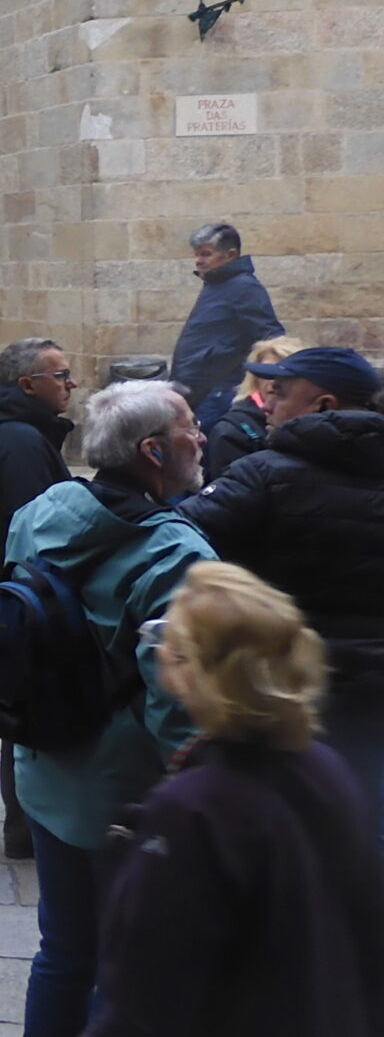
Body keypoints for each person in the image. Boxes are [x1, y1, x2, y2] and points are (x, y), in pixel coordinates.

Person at [0, 563, 384, 1037]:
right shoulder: (324, 772)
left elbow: (147, 1001)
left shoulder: (197, 810)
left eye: (170, 645)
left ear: (196, 672)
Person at [0, 378, 214, 1037]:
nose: (203, 438)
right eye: (190, 427)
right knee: (126, 978)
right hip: (127, 788)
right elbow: (176, 696)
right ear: (153, 451)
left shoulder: (44, 513)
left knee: (65, 951)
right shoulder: (177, 554)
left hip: (50, 764)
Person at [180, 344, 384, 828]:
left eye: (280, 393)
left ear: (324, 404)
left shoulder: (263, 475)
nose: (266, 404)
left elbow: (178, 541)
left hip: (291, 685)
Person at [0, 337, 79, 859]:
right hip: (25, 603)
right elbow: (40, 529)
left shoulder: (22, 435)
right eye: (60, 375)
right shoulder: (20, 441)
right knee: (26, 715)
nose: (71, 384)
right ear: (27, 385)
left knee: (24, 712)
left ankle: (27, 828)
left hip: (17, 598)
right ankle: (27, 830)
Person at [171, 221, 286, 435]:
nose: (198, 260)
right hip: (200, 393)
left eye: (206, 254)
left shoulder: (244, 286)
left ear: (230, 255)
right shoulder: (217, 284)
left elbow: (271, 336)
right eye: (197, 255)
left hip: (218, 393)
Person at [204, 334, 302, 480]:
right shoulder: (231, 431)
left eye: (284, 374)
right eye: (266, 373)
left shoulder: (315, 416)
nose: (273, 382)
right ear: (255, 379)